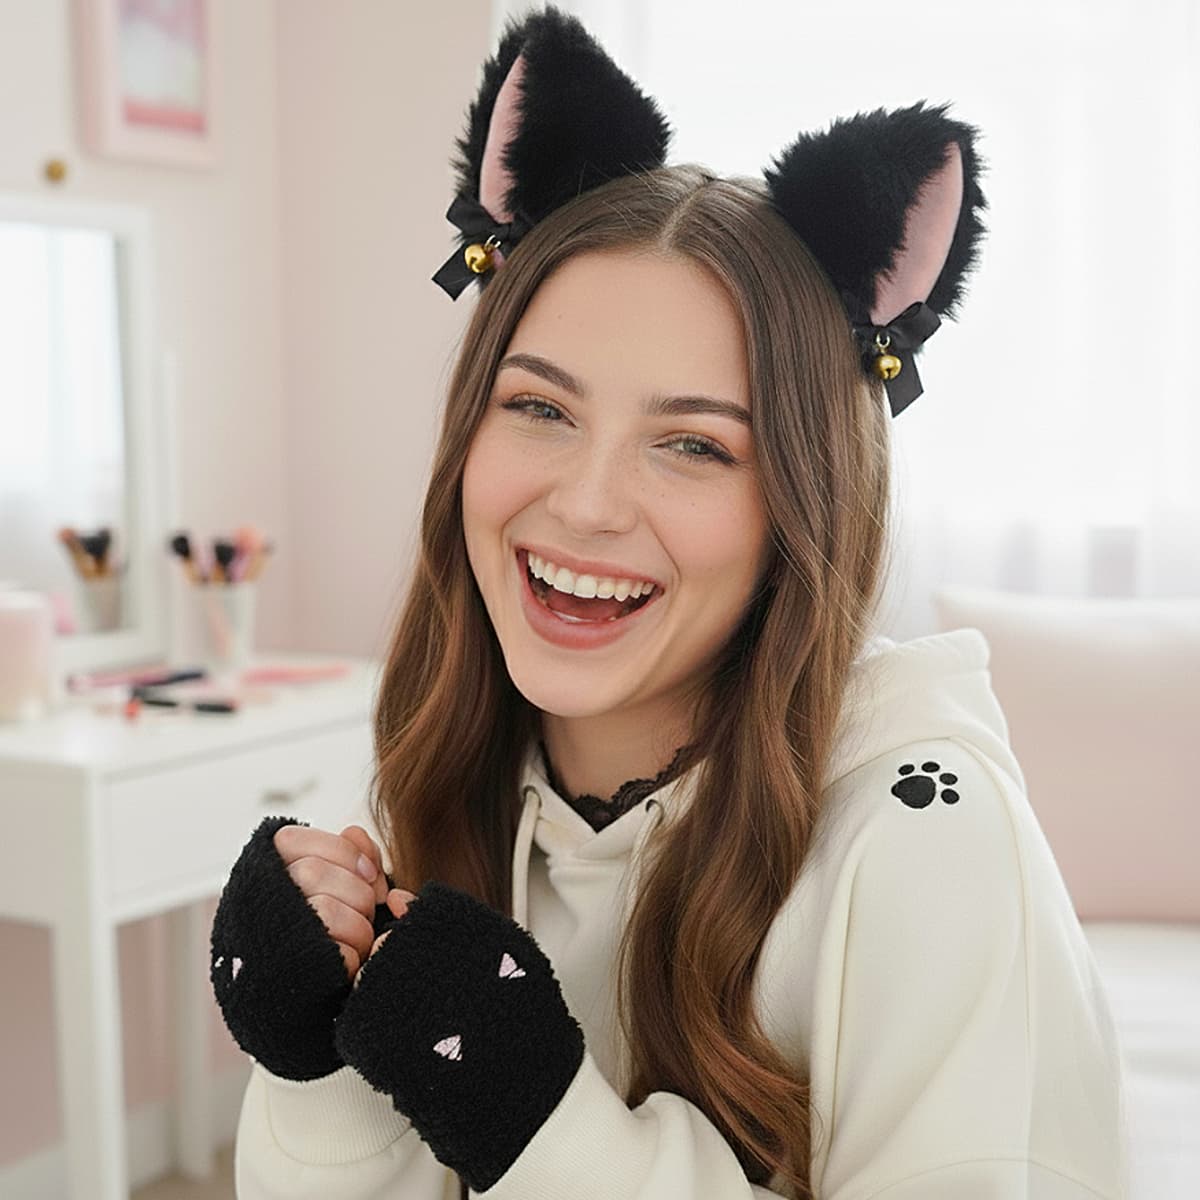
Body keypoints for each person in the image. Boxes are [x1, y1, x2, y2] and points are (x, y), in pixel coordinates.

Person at [210, 7, 1128, 1199]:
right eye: (540, 408)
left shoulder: (925, 838)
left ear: (802, 499)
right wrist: (311, 1070)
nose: (587, 506)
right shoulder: (438, 780)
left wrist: (542, 1126)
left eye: (693, 445)